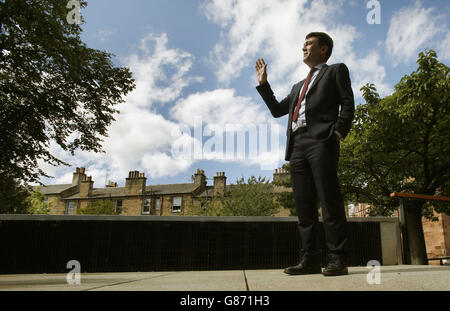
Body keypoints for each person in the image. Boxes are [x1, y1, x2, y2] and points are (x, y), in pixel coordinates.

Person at [255, 32, 355, 276]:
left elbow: (348, 103)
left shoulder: (336, 71)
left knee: (329, 199)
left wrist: (338, 132)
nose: (304, 47)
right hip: (297, 145)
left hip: (322, 140)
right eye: (304, 44)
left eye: (309, 44)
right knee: (304, 205)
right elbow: (278, 110)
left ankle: (338, 259)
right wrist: (263, 84)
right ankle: (309, 259)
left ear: (324, 49)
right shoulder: (297, 86)